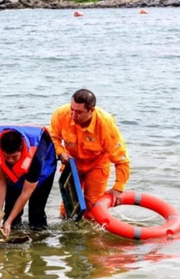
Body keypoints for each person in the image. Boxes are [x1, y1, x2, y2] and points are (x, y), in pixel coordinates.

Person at [49, 89, 130, 219]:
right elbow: (53, 137)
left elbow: (121, 160)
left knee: (92, 207)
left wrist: (118, 188)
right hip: (72, 163)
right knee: (67, 207)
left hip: (97, 164)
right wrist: (61, 152)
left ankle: (91, 236)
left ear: (91, 110)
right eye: (72, 109)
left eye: (79, 112)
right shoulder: (61, 114)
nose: (73, 114)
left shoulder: (105, 123)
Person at [0, 125, 57, 236]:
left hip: (45, 166)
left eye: (14, 157)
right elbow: (0, 181)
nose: (10, 160)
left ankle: (39, 243)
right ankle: (13, 236)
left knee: (36, 211)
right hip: (17, 170)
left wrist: (8, 221)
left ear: (21, 149)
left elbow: (26, 193)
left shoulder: (37, 158)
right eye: (6, 156)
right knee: (10, 209)